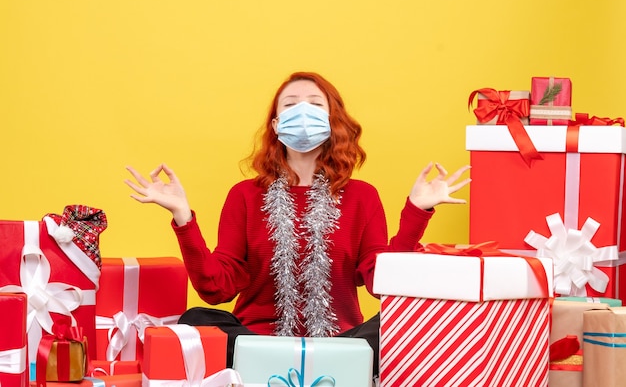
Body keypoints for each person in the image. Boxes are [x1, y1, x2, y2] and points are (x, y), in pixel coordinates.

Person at [125, 71, 470, 375]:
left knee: (401, 324)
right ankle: (292, 366)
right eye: (290, 105)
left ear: (333, 120)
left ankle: (318, 365)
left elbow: (382, 284)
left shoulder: (362, 197)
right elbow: (217, 289)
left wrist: (416, 212)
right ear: (276, 125)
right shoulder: (245, 195)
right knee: (197, 321)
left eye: (314, 104)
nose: (302, 112)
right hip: (257, 342)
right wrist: (182, 216)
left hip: (341, 343)